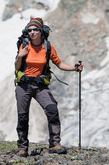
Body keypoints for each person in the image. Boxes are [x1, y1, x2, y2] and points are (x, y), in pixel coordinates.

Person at [14, 17, 83, 156]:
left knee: (52, 109)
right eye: (30, 30)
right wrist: (20, 56)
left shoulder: (48, 47)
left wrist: (74, 69)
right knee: (23, 116)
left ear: (41, 31)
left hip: (40, 85)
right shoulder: (24, 45)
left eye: (35, 30)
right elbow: (16, 67)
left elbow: (59, 64)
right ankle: (22, 148)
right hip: (24, 85)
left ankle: (55, 144)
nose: (32, 32)